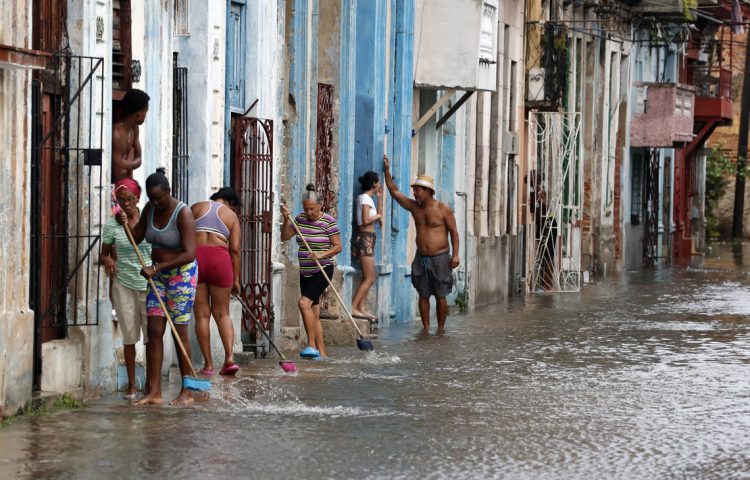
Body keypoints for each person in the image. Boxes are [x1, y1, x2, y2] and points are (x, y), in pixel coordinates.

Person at [124, 167, 198, 406]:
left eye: (159, 197)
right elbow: (137, 237)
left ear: (168, 191)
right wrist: (126, 220)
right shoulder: (149, 209)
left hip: (181, 275)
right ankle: (154, 392)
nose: (155, 202)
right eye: (151, 198)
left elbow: (189, 253)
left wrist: (156, 269)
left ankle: (187, 390)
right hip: (157, 275)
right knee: (155, 331)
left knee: (179, 332)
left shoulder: (182, 213)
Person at [383, 155, 459, 332]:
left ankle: (440, 330)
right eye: (414, 190)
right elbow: (394, 192)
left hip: (440, 258)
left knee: (441, 295)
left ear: (428, 191)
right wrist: (387, 171)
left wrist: (455, 254)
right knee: (422, 294)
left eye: (418, 190)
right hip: (421, 257)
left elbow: (454, 233)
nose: (415, 193)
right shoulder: (413, 207)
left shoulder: (442, 209)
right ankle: (425, 329)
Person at [100, 178, 152, 400]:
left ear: (138, 199)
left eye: (129, 199)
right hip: (123, 284)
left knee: (152, 337)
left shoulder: (148, 220)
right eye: (121, 201)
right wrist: (107, 260)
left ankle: (152, 383)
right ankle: (131, 386)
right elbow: (104, 252)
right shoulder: (112, 224)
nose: (126, 204)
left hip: (149, 285)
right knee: (129, 336)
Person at [280, 184, 342, 359]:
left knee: (303, 304)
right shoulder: (299, 219)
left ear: (320, 205)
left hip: (322, 270)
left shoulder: (328, 222)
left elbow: (338, 247)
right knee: (313, 312)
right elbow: (284, 236)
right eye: (306, 209)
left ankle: (311, 346)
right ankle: (322, 354)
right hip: (305, 271)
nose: (309, 213)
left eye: (312, 209)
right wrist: (286, 219)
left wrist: (322, 254)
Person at [191, 187, 241, 377]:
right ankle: (229, 359)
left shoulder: (195, 208)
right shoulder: (231, 216)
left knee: (202, 315)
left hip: (196, 258)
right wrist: (236, 279)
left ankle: (208, 365)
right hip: (219, 259)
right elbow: (235, 250)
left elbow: (183, 236)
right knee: (222, 313)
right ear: (232, 203)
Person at [350, 171, 384, 322]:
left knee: (367, 276)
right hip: (365, 239)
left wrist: (380, 199)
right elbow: (364, 220)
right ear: (374, 183)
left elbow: (377, 216)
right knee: (370, 278)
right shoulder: (365, 199)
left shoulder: (368, 199)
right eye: (379, 181)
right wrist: (378, 217)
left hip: (368, 238)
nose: (380, 184)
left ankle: (361, 308)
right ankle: (353, 307)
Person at [112, 89, 149, 183]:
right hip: (116, 185)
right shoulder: (116, 134)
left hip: (128, 182)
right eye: (145, 111)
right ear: (139, 113)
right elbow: (118, 167)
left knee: (132, 150)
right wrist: (131, 161)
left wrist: (125, 163)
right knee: (132, 150)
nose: (145, 115)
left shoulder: (134, 128)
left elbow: (139, 159)